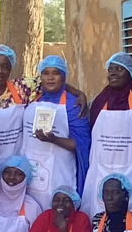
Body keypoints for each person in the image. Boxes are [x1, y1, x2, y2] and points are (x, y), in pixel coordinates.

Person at [83, 52, 132, 215]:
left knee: (131, 212)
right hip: (100, 169)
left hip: (131, 169)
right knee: (99, 212)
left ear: (130, 73)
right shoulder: (97, 102)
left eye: (119, 69)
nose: (113, 73)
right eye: (111, 69)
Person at [25, 55, 88, 203]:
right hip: (31, 169)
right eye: (46, 73)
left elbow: (81, 145)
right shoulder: (31, 95)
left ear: (64, 76)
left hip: (59, 172)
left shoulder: (74, 104)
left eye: (56, 73)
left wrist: (53, 139)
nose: (50, 78)